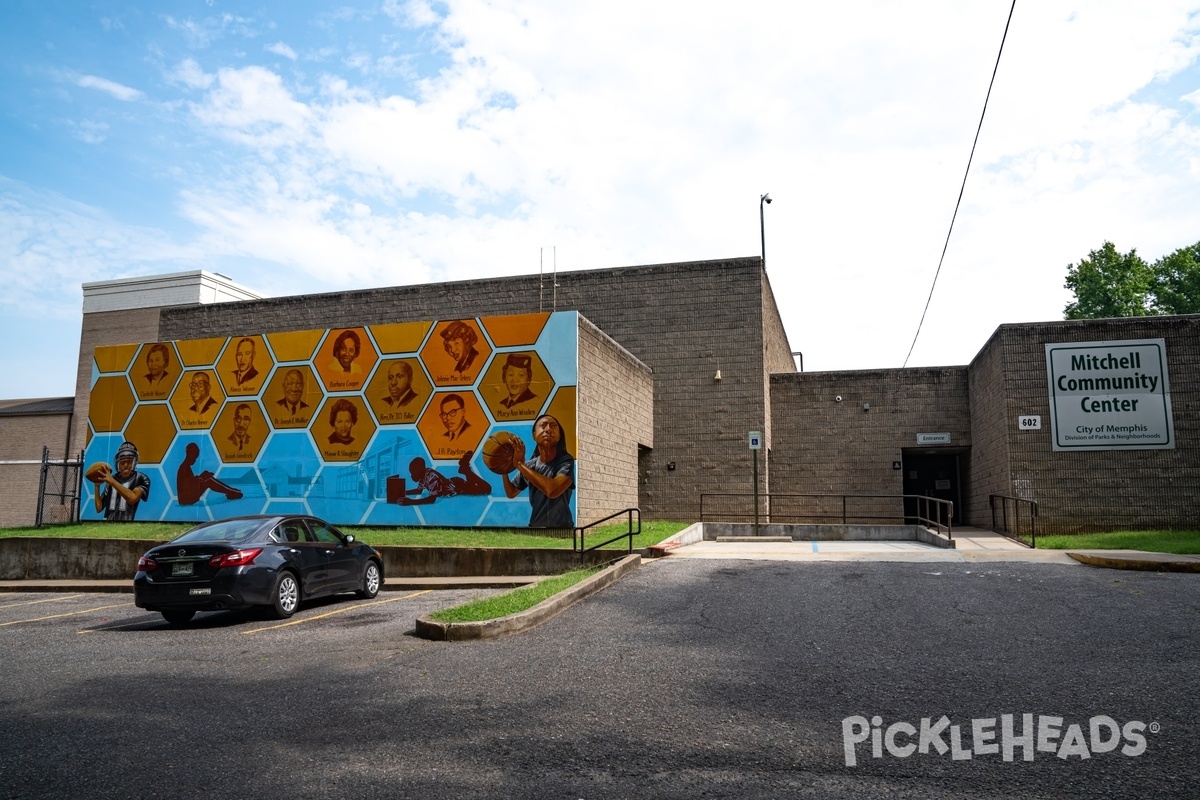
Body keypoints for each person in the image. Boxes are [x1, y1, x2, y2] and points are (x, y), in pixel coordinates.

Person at [502, 414, 575, 528]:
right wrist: (503, 469)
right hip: (535, 527)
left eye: (553, 426)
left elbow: (552, 490)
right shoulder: (530, 465)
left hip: (562, 529)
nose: (548, 429)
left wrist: (520, 465)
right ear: (534, 436)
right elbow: (511, 492)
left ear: (559, 436)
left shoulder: (566, 461)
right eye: (543, 425)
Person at [399, 453, 492, 505]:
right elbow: (418, 491)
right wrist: (403, 492)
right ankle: (465, 468)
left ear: (420, 471)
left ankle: (467, 470)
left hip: (458, 487)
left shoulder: (431, 478)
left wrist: (411, 502)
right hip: (454, 482)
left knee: (487, 489)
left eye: (413, 474)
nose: (411, 476)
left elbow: (431, 499)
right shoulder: (423, 477)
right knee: (473, 485)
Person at [94, 441, 151, 521]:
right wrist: (97, 487)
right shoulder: (111, 478)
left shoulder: (141, 478)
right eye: (122, 462)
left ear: (134, 463)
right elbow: (99, 508)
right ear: (118, 464)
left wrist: (112, 482)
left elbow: (132, 499)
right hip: (107, 524)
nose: (126, 465)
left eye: (129, 462)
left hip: (127, 524)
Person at [176, 442, 243, 505]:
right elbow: (188, 486)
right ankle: (231, 492)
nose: (195, 460)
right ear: (190, 454)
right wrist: (202, 477)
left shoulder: (186, 467)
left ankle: (230, 491)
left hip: (187, 497)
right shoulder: (184, 468)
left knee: (208, 478)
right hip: (186, 500)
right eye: (194, 457)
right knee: (209, 480)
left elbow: (191, 482)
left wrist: (202, 476)